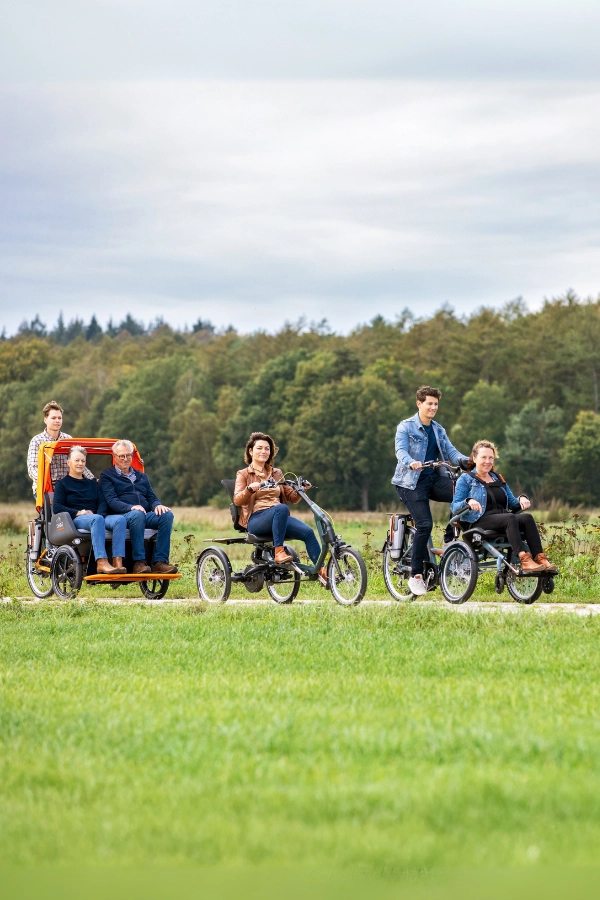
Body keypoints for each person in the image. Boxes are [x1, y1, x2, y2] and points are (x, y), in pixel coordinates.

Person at [392, 385, 469, 596]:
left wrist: (466, 461)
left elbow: (451, 452)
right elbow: (400, 451)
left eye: (436, 404)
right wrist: (411, 462)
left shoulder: (438, 429)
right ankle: (415, 575)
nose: (433, 407)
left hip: (434, 479)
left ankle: (449, 538)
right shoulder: (405, 427)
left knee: (463, 494)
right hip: (410, 483)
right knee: (425, 524)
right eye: (429, 403)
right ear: (419, 403)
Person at [233, 432, 327, 584]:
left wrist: (300, 490)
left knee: (308, 533)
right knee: (281, 509)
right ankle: (279, 552)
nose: (264, 451)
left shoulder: (276, 473)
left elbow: (291, 497)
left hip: (279, 518)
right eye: (259, 448)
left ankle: (322, 571)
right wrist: (250, 489)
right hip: (257, 520)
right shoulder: (243, 474)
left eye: (267, 449)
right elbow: (237, 500)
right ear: (251, 451)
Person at [451, 440, 558, 573]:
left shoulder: (498, 478)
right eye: (483, 457)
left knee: (527, 518)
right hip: (478, 521)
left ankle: (540, 559)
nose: (488, 461)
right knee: (510, 518)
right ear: (474, 458)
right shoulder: (466, 479)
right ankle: (525, 560)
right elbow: (454, 507)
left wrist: (522, 498)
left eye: (491, 458)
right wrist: (468, 501)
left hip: (501, 519)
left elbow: (513, 503)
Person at [99, 440, 177, 575]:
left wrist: (157, 505)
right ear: (115, 457)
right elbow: (112, 501)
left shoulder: (142, 476)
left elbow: (151, 497)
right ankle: (139, 562)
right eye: (121, 456)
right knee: (138, 515)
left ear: (132, 456)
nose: (125, 459)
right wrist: (131, 507)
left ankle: (160, 562)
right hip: (121, 515)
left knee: (167, 515)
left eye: (128, 455)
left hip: (143, 514)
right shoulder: (107, 476)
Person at [53, 446, 127, 575]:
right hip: (75, 519)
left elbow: (102, 502)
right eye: (77, 460)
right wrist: (78, 512)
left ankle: (118, 561)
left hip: (96, 517)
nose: (80, 463)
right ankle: (101, 562)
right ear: (68, 462)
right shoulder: (62, 484)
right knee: (96, 519)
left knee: (119, 520)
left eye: (83, 461)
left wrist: (100, 515)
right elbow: (57, 507)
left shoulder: (92, 483)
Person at [27, 400, 94, 495]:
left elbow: (78, 462)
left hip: (68, 486)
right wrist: (45, 481)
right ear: (45, 419)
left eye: (59, 418)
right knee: (55, 507)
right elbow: (32, 468)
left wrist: (93, 479)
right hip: (46, 488)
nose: (57, 421)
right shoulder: (37, 441)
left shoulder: (68, 439)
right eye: (53, 418)